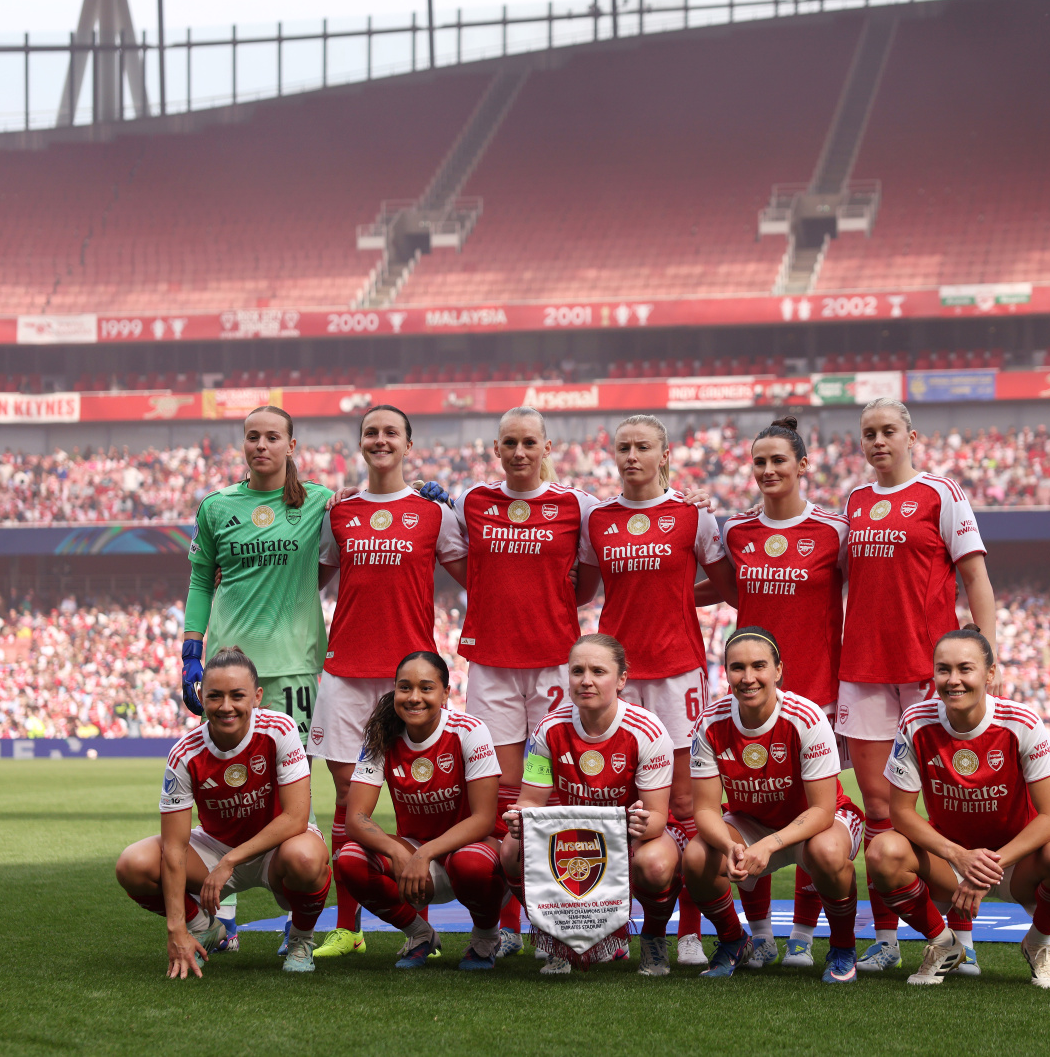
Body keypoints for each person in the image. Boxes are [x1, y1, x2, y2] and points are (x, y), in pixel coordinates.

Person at [838, 398, 995, 974]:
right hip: (863, 672)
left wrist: (983, 655)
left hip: (932, 675)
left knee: (941, 814)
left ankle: (963, 938)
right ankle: (889, 939)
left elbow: (975, 574)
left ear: (910, 436)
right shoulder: (854, 502)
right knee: (879, 808)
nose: (878, 441)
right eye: (868, 434)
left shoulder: (941, 494)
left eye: (888, 431)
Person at [577, 413, 739, 965]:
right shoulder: (597, 519)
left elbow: (727, 587)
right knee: (620, 797)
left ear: (664, 455)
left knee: (686, 803)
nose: (631, 456)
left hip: (677, 672)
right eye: (622, 446)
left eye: (643, 447)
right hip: (617, 675)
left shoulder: (694, 516)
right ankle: (622, 926)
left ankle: (690, 930)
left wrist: (671, 597)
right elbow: (581, 588)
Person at [310, 404, 468, 958]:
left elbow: (479, 574)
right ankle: (348, 927)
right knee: (346, 802)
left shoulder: (434, 514)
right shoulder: (339, 511)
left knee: (415, 798)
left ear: (408, 444)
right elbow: (313, 577)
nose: (381, 440)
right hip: (345, 672)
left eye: (391, 433)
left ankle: (433, 927)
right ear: (361, 444)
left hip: (411, 678)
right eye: (371, 432)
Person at [181, 405, 335, 949]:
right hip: (227, 670)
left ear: (292, 444)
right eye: (252, 437)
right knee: (222, 784)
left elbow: (364, 526)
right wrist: (191, 646)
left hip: (294, 668)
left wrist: (431, 497)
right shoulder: (218, 506)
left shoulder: (319, 502)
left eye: (272, 437)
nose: (261, 445)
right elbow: (201, 578)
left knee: (292, 786)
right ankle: (220, 912)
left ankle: (298, 913)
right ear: (242, 444)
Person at [453, 405, 600, 957]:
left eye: (528, 442)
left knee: (554, 790)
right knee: (502, 794)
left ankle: (556, 919)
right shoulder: (471, 502)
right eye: (509, 442)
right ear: (496, 449)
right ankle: (507, 923)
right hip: (490, 663)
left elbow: (585, 582)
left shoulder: (575, 506)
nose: (519, 452)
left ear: (546, 447)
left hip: (554, 664)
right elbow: (454, 557)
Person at [868, 629, 1050, 987]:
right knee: (882, 851)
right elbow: (902, 813)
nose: (953, 680)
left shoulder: (1022, 722)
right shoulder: (915, 720)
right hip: (950, 862)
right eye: (943, 669)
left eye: (965, 669)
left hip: (1016, 863)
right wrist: (959, 857)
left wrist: (985, 867)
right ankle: (943, 945)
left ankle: (1038, 944)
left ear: (989, 675)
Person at [709, 415, 849, 968]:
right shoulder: (737, 532)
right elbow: (714, 589)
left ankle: (805, 935)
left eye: (778, 461)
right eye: (759, 462)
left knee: (816, 814)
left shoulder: (834, 532)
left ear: (802, 465)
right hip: (754, 694)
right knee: (751, 808)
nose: (768, 470)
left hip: (819, 696)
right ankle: (760, 934)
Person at [115, 648, 332, 976]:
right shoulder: (184, 754)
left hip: (276, 848)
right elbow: (174, 848)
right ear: (201, 696)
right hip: (213, 850)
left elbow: (296, 818)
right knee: (133, 864)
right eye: (215, 696)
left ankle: (301, 939)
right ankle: (204, 926)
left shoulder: (280, 730)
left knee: (306, 858)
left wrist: (231, 862)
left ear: (257, 697)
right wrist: (177, 929)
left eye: (237, 695)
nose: (226, 706)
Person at [683, 628, 865, 980]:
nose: (748, 678)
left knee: (826, 853)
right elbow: (704, 809)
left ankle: (843, 948)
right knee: (696, 858)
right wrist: (729, 846)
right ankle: (735, 941)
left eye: (759, 666)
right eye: (737, 668)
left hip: (817, 821)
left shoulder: (805, 717)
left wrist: (769, 844)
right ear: (726, 672)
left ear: (778, 670)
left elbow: (822, 810)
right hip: (753, 820)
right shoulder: (710, 722)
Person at [500, 634, 680, 975]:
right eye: (577, 670)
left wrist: (641, 824)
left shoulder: (648, 730)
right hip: (574, 839)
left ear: (622, 679)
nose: (586, 680)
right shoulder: (549, 728)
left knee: (655, 865)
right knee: (510, 848)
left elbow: (657, 817)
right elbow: (529, 802)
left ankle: (653, 939)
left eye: (598, 671)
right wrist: (518, 818)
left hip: (629, 838)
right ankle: (559, 936)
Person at [336, 651, 507, 970]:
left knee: (470, 864)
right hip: (415, 857)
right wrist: (400, 853)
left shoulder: (469, 730)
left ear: (445, 693)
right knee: (350, 859)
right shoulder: (382, 736)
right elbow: (356, 819)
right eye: (405, 687)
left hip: (474, 853)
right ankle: (420, 935)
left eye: (426, 688)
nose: (414, 697)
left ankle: (486, 938)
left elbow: (484, 819)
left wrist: (422, 854)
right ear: (395, 690)